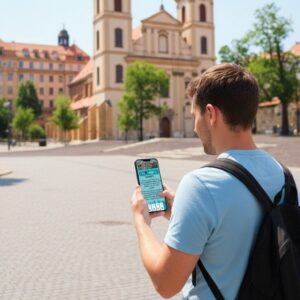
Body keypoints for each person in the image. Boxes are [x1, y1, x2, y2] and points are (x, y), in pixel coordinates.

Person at [131, 63, 285, 299]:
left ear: (211, 114)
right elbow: (244, 236)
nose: (194, 127)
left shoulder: (201, 185)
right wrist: (183, 214)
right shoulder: (281, 174)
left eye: (194, 116)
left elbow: (166, 283)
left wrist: (141, 222)